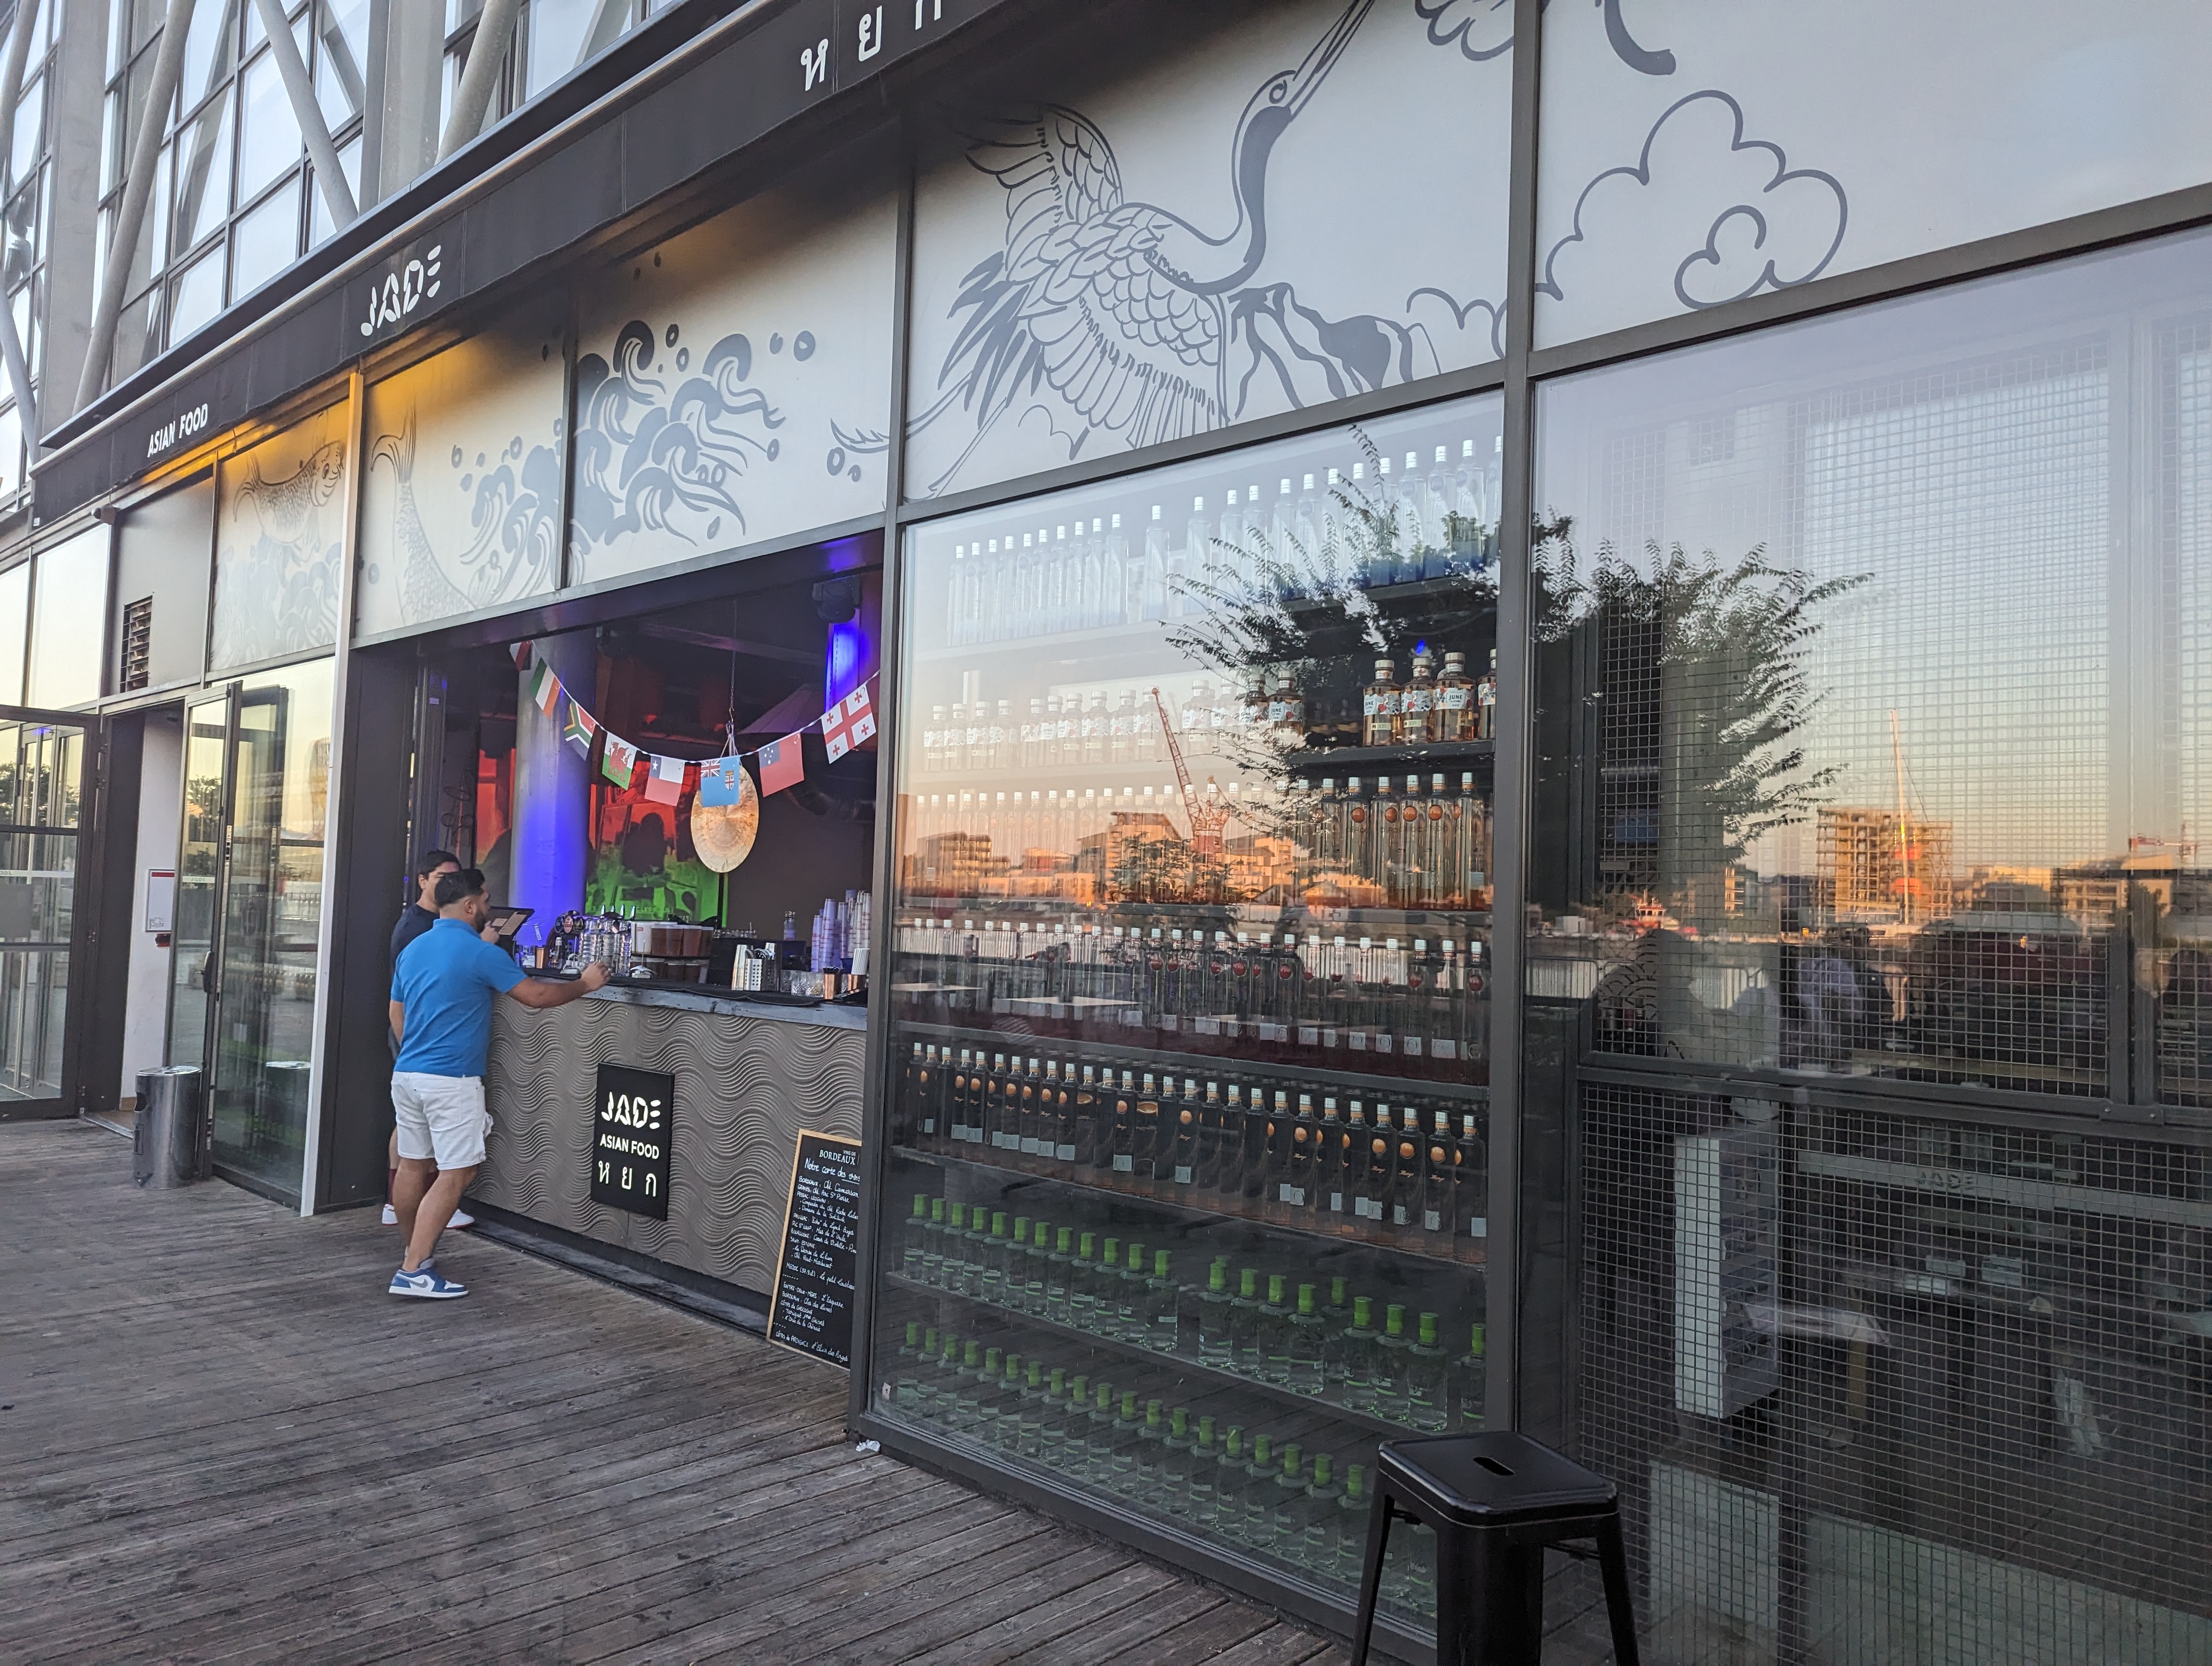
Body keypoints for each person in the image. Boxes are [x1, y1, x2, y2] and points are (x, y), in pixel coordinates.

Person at [387, 867, 609, 1298]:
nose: (490, 907)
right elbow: (537, 997)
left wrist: (414, 1049)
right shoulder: (480, 953)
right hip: (451, 1079)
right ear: (470, 906)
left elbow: (397, 1012)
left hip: (408, 1073)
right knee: (457, 1172)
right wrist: (586, 983)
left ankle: (414, 1254)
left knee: (413, 1165)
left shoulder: (414, 948)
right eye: (486, 900)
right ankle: (414, 1270)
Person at [383, 850, 471, 1227]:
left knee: (411, 1123)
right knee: (420, 1125)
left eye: (455, 877)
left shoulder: (439, 923)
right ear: (422, 880)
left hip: (422, 1039)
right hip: (418, 1038)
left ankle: (401, 1202)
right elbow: (402, 999)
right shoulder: (414, 927)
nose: (449, 884)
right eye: (441, 877)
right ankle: (425, 1204)